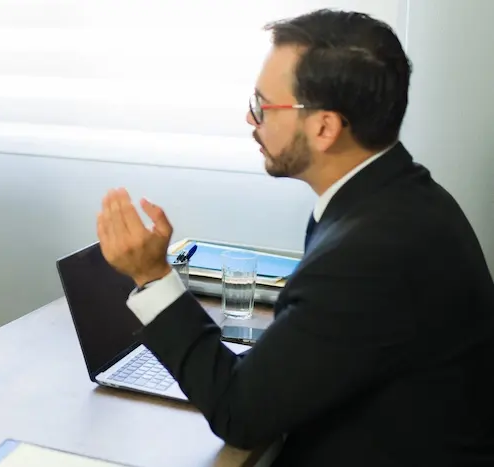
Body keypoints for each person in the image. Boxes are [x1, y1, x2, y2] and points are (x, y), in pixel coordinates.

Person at [96, 9, 494, 467]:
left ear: (325, 127)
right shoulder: (397, 196)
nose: (250, 118)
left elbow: (240, 413)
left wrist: (152, 275)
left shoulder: (370, 251)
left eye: (264, 106)